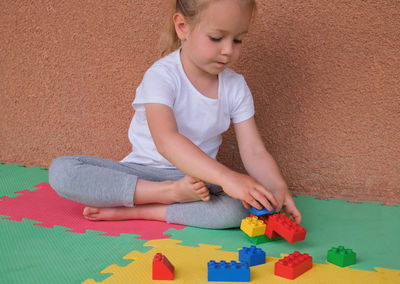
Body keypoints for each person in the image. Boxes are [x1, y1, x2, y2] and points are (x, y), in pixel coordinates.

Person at [49, 0, 302, 229]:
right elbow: (166, 140)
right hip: (142, 174)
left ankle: (146, 211)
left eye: (238, 40)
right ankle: (166, 194)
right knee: (63, 171)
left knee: (239, 210)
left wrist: (276, 188)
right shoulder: (162, 76)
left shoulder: (235, 86)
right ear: (182, 27)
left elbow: (254, 151)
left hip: (199, 180)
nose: (228, 50)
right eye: (216, 38)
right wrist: (226, 178)